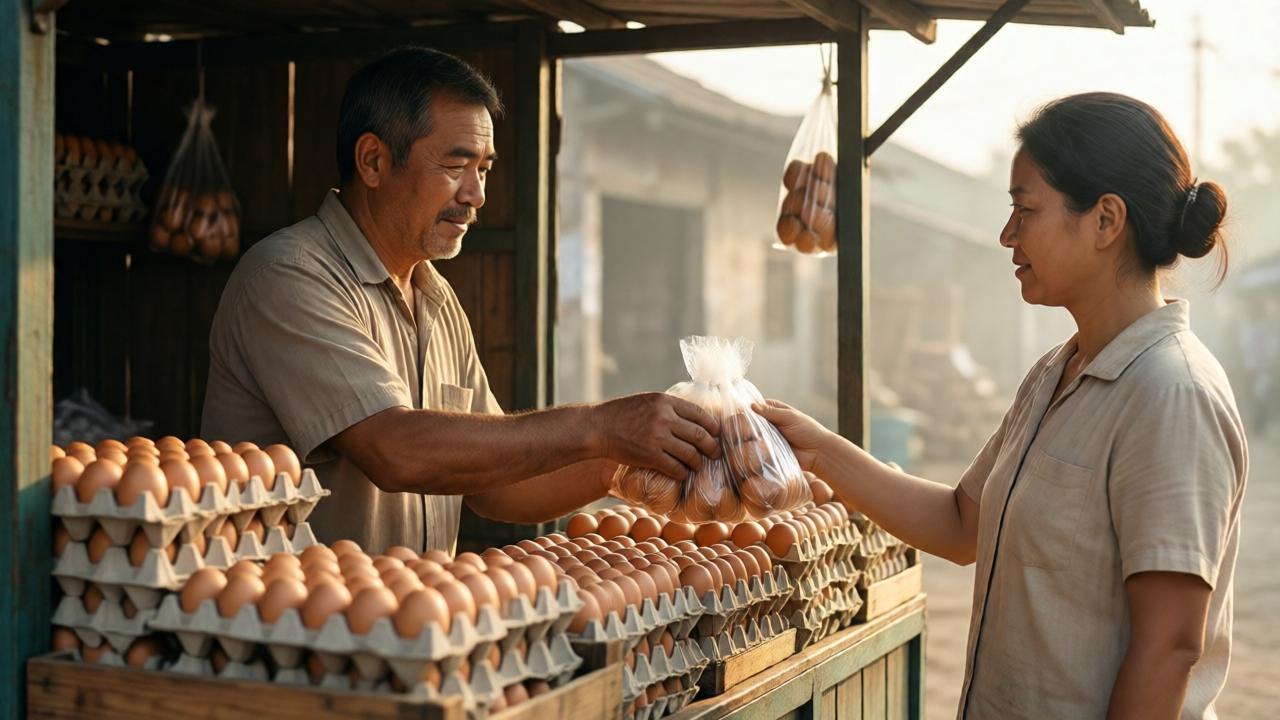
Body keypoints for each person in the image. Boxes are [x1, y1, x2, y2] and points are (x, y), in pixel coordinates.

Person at [756, 93, 1247, 719]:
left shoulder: (1170, 394)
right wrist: (814, 446)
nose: (1007, 235)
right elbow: (964, 524)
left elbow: (1170, 647)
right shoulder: (1057, 372)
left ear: (1105, 221)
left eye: (1025, 210)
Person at [202, 47, 719, 554]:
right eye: (456, 166)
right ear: (373, 161)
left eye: (485, 169)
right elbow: (395, 450)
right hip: (294, 628)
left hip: (408, 630)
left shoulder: (435, 296)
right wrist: (599, 426)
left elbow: (499, 487)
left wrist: (624, 461)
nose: (477, 195)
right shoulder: (289, 276)